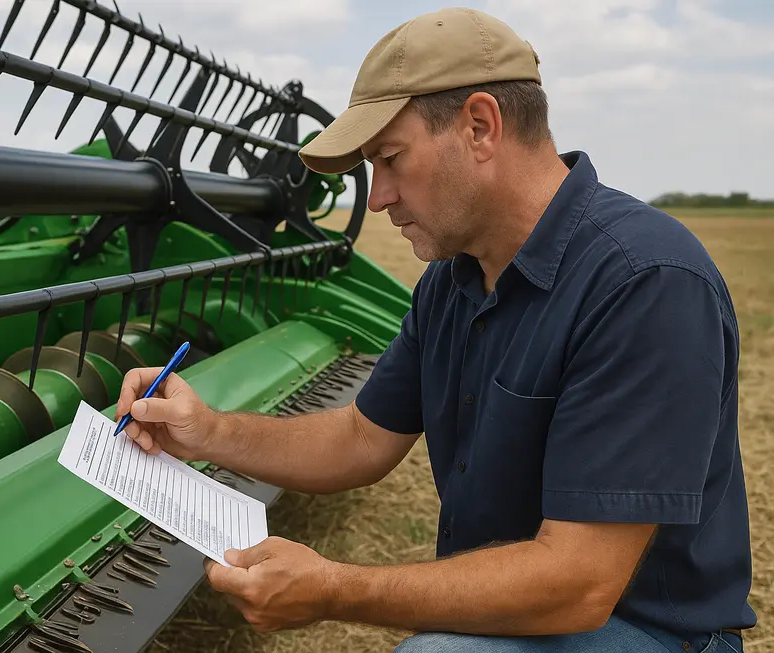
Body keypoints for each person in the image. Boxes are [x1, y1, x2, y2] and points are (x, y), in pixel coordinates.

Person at [114, 6, 755, 653]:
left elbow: (578, 583)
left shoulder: (644, 283)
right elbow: (362, 437)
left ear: (480, 126)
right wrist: (209, 432)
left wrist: (335, 586)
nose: (379, 196)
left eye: (390, 160)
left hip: (653, 630)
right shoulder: (453, 282)